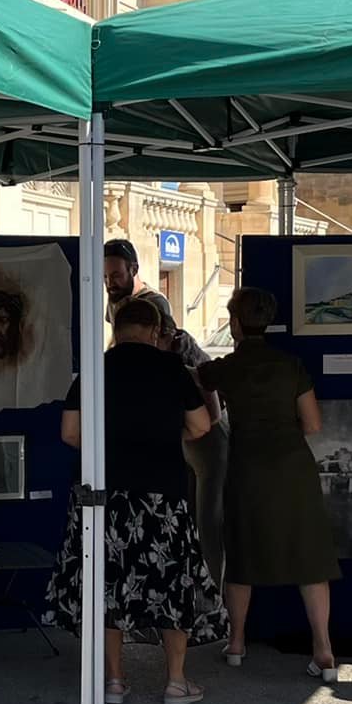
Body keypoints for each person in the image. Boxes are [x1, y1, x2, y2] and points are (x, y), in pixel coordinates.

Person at [47, 295, 228, 704]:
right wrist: (165, 437)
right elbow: (202, 425)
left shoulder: (96, 369)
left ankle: (114, 680)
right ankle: (176, 682)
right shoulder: (171, 368)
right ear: (154, 330)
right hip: (163, 495)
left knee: (109, 584)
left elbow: (70, 433)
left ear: (117, 329)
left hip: (105, 495)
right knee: (172, 584)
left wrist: (111, 444)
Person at [199, 287, 343, 677]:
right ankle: (324, 650)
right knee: (309, 558)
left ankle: (236, 643)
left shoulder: (226, 368)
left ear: (235, 323)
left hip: (247, 468)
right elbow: (313, 424)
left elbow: (200, 380)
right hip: (294, 469)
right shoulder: (291, 366)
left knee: (241, 554)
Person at [102, 238, 228, 590]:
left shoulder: (173, 355)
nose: (110, 282)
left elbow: (209, 417)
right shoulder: (119, 308)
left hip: (203, 437)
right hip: (184, 438)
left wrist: (171, 428)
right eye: (106, 276)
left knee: (205, 522)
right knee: (186, 519)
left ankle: (209, 593)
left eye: (116, 275)